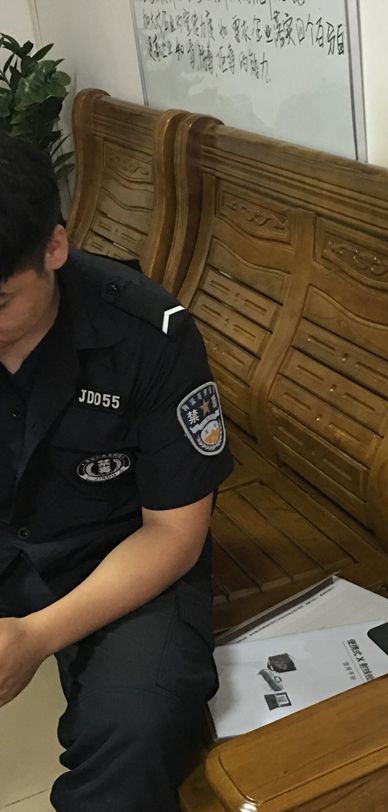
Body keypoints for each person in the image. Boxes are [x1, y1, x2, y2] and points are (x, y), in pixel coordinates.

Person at [0, 131, 233, 810]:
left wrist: (36, 636)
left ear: (54, 247)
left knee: (138, 725)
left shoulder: (148, 333)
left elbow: (173, 533)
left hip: (117, 555)